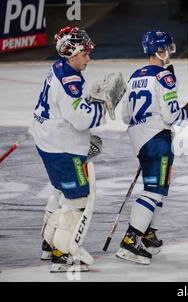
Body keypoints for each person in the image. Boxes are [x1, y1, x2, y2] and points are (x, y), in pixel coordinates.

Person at [116, 30, 188, 265]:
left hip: (140, 139)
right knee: (153, 190)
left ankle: (148, 233)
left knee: (159, 186)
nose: (169, 52)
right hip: (157, 138)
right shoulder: (165, 77)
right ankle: (131, 239)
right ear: (161, 49)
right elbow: (170, 115)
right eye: (167, 48)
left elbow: (125, 115)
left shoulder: (135, 76)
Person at [29, 26, 104, 272]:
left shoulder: (59, 67)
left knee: (61, 190)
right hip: (63, 148)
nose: (89, 58)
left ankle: (48, 244)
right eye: (85, 53)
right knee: (78, 197)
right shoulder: (69, 80)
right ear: (71, 54)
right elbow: (81, 120)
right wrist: (103, 106)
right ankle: (62, 255)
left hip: (48, 142)